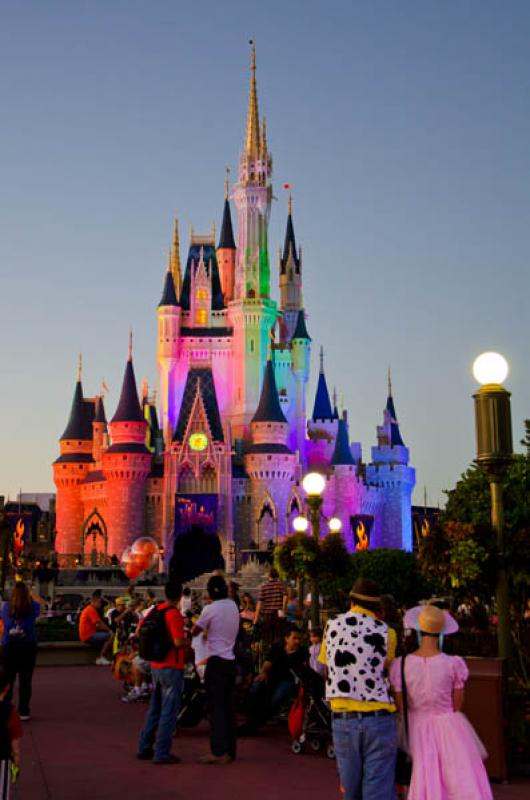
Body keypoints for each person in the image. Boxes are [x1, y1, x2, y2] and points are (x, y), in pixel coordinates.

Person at [390, 604, 492, 800]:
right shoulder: (453, 664)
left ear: (418, 630)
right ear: (442, 633)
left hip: (414, 729)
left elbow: (400, 706)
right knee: (457, 781)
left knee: (422, 777)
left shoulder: (400, 665)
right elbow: (457, 705)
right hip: (449, 728)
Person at [319, 577, 397, 800]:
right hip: (378, 718)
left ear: (351, 601)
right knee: (379, 790)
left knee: (351, 792)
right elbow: (388, 670)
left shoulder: (331, 626)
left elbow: (326, 667)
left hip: (344, 719)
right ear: (377, 606)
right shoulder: (387, 632)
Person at [137, 582, 187, 764]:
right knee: (169, 711)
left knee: (154, 709)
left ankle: (144, 746)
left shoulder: (155, 610)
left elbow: (138, 630)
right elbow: (178, 642)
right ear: (180, 596)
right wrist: (188, 640)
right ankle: (162, 752)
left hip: (156, 665)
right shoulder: (173, 614)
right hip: (171, 666)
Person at [192, 575, 239, 765]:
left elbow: (196, 630)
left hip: (216, 662)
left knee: (216, 709)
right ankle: (230, 751)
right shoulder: (233, 606)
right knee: (229, 708)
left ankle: (217, 751)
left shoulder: (209, 609)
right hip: (230, 661)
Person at [238, 625, 308, 735]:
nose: (297, 641)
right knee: (256, 687)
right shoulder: (278, 648)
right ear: (286, 638)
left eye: (299, 638)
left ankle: (256, 723)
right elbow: (267, 663)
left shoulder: (302, 652)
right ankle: (251, 717)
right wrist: (264, 672)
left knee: (278, 696)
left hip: (289, 681)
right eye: (294, 638)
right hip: (272, 677)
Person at [1, 581, 44, 721]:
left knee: (8, 679)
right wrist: (31, 593)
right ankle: (24, 711)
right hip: (27, 646)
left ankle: (5, 709)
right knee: (25, 680)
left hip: (9, 647)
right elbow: (42, 603)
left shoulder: (6, 607)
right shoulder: (32, 607)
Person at [0, 664, 22, 795]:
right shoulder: (10, 711)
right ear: (7, 688)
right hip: (2, 757)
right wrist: (16, 762)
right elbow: (15, 743)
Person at [78, 592, 114, 665]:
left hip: (88, 634)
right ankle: (101, 657)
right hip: (88, 635)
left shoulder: (90, 609)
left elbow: (99, 623)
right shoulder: (91, 610)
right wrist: (110, 630)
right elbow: (99, 624)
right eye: (99, 603)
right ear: (94, 602)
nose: (100, 605)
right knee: (110, 636)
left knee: (105, 635)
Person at [254, 568, 286, 643]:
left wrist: (256, 617)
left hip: (267, 615)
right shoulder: (280, 585)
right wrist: (284, 609)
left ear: (269, 576)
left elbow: (259, 603)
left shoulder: (264, 587)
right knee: (278, 636)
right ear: (277, 575)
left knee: (267, 637)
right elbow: (285, 596)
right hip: (278, 614)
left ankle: (268, 651)